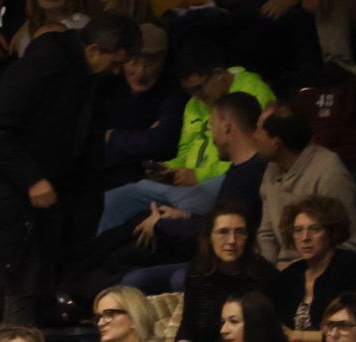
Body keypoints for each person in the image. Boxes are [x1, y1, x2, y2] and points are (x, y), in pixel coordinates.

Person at [0, 14, 141, 324]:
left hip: (47, 209)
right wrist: (32, 180)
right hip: (8, 202)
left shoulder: (89, 81)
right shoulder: (46, 64)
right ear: (92, 49)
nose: (118, 73)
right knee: (22, 294)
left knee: (38, 297)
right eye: (115, 63)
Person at [96, 43, 273, 233]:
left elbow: (248, 156)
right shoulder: (194, 104)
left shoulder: (252, 93)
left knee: (177, 209)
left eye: (199, 87)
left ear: (219, 74)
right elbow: (186, 151)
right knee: (116, 198)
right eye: (190, 91)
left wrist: (198, 176)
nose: (196, 96)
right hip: (186, 185)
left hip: (220, 181)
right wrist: (171, 170)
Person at [254, 103, 356, 267]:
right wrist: (268, 275)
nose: (253, 136)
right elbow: (266, 234)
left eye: (258, 130)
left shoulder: (329, 171)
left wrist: (301, 271)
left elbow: (351, 243)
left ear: (276, 143)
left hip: (324, 271)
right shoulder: (271, 170)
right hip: (283, 272)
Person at [168, 205, 279, 342]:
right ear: (209, 237)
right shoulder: (197, 272)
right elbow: (189, 321)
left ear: (248, 238)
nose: (232, 241)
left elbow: (262, 338)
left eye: (240, 232)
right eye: (223, 232)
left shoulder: (263, 275)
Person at [275, 196, 356, 342]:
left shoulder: (350, 267)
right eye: (298, 230)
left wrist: (296, 335)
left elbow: (349, 330)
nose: (305, 237)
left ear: (331, 233)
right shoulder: (290, 275)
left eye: (315, 229)